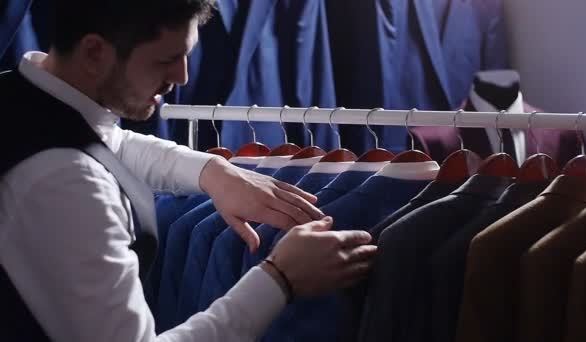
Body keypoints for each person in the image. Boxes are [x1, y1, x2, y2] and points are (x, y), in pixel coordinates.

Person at [0, 0, 377, 341]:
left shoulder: (22, 100)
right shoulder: (70, 183)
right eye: (166, 60)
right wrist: (280, 279)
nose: (181, 78)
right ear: (95, 52)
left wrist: (212, 171)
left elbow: (109, 142)